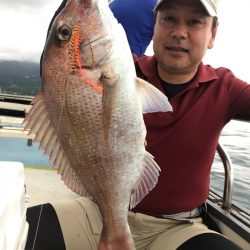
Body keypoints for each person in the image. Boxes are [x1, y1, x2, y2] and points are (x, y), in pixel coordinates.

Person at [26, 0, 250, 249]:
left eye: (195, 22)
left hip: (179, 227)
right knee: (15, 231)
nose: (179, 32)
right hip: (97, 211)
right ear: (154, 26)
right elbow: (61, 71)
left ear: (212, 34)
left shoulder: (225, 87)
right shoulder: (127, 69)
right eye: (168, 19)